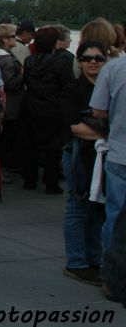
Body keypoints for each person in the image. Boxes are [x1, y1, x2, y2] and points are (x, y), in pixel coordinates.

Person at [60, 41, 109, 286]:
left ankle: (94, 259)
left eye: (99, 58)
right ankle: (76, 262)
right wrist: (109, 133)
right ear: (79, 61)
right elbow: (75, 128)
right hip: (78, 155)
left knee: (98, 209)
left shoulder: (111, 89)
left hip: (103, 157)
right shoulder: (73, 89)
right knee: (78, 207)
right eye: (87, 58)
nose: (93, 62)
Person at [22, 26, 75, 193]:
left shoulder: (29, 61)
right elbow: (69, 86)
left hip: (31, 105)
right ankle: (51, 182)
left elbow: (26, 82)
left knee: (31, 145)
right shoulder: (61, 63)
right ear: (54, 43)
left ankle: (29, 179)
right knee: (53, 147)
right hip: (53, 107)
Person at [90, 45, 126, 266]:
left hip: (120, 151)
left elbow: (98, 110)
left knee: (115, 217)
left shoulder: (114, 68)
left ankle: (113, 273)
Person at [0, 24, 26, 173]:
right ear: (5, 39)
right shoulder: (6, 60)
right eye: (13, 36)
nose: (16, 39)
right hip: (11, 105)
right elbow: (9, 83)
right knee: (6, 138)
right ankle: (3, 167)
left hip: (2, 104)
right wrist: (23, 75)